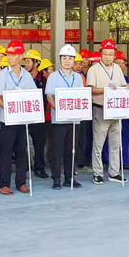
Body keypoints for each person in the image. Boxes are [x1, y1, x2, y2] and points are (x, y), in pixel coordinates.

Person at [0, 40, 37, 195]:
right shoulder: (2, 75)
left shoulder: (27, 76)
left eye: (13, 54)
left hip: (22, 120)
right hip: (7, 120)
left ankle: (21, 182)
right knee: (6, 152)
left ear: (21, 56)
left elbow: (33, 95)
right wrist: (11, 110)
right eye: (9, 55)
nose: (10, 57)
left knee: (22, 152)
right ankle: (3, 184)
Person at [87, 39, 129, 185]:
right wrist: (106, 90)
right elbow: (90, 89)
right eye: (105, 54)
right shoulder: (94, 69)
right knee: (98, 144)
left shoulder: (117, 69)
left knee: (115, 144)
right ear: (100, 54)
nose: (108, 57)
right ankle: (98, 173)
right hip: (100, 109)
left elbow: (122, 85)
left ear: (114, 55)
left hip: (116, 111)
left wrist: (127, 86)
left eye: (111, 54)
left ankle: (114, 172)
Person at [44, 45, 83, 190]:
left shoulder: (78, 77)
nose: (67, 61)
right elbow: (49, 96)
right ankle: (56, 179)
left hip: (74, 120)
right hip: (58, 120)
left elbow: (81, 97)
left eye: (70, 58)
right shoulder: (53, 76)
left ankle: (69, 177)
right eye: (64, 58)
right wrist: (59, 109)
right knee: (57, 150)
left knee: (71, 150)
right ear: (60, 59)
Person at [24, 49, 48, 179]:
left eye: (29, 61)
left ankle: (40, 167)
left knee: (39, 144)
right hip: (23, 116)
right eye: (26, 62)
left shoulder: (44, 80)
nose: (26, 64)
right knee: (21, 143)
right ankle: (24, 165)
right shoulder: (21, 78)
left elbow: (46, 98)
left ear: (36, 63)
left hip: (39, 117)